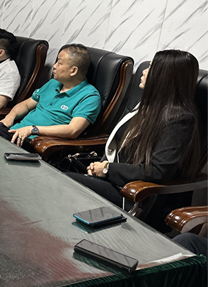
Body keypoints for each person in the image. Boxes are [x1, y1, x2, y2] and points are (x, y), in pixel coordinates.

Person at [66, 50, 201, 231]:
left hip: (139, 197)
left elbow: (157, 171)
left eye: (151, 67)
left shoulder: (179, 119)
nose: (144, 71)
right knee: (58, 175)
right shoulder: (147, 106)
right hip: (117, 182)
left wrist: (107, 169)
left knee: (66, 182)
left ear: (165, 76)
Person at [0, 44, 101, 151]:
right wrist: (9, 117)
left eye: (60, 63)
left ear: (73, 70)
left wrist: (33, 129)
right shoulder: (53, 83)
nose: (54, 66)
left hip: (36, 142)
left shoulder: (90, 96)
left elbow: (73, 130)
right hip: (15, 132)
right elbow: (26, 105)